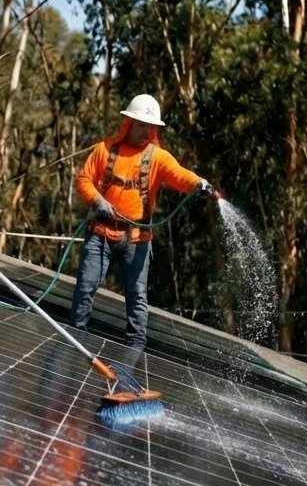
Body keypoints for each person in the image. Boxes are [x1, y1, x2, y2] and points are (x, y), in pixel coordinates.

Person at [71, 94, 214, 350]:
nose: (146, 131)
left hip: (136, 240)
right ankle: (75, 337)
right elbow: (84, 179)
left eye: (151, 127)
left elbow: (180, 175)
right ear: (128, 123)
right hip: (101, 233)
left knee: (137, 296)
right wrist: (98, 201)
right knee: (86, 286)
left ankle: (136, 349)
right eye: (141, 125)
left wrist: (198, 183)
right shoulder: (104, 149)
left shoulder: (158, 158)